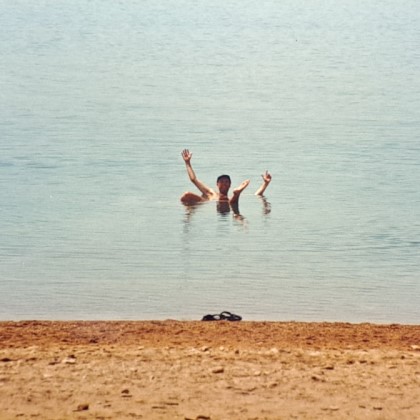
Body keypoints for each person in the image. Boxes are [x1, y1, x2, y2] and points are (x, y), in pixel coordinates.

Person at [180, 149, 271, 206]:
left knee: (232, 201)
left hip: (231, 203)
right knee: (187, 195)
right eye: (222, 182)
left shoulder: (230, 198)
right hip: (207, 204)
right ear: (217, 184)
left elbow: (256, 196)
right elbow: (194, 180)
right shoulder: (211, 193)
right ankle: (237, 194)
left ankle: (237, 194)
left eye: (226, 182)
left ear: (230, 185)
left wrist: (265, 184)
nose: (224, 184)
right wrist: (187, 163)